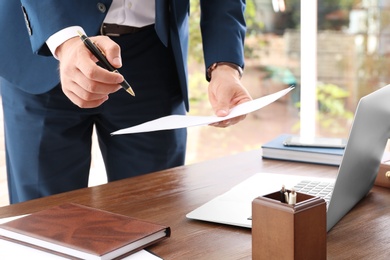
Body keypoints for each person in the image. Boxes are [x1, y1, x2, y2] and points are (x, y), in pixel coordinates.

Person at [0, 1, 252, 204]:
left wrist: (225, 66)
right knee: (44, 221)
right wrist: (65, 41)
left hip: (153, 56)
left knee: (153, 213)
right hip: (44, 46)